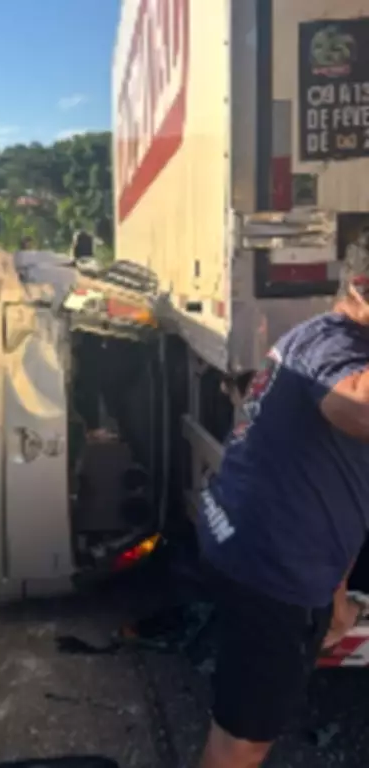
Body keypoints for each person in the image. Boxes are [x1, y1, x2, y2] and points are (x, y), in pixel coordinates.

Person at [196, 247, 369, 768]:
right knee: (241, 744)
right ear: (361, 286)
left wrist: (335, 600)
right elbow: (358, 407)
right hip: (271, 569)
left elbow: (332, 490)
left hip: (270, 548)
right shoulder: (334, 346)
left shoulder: (325, 335)